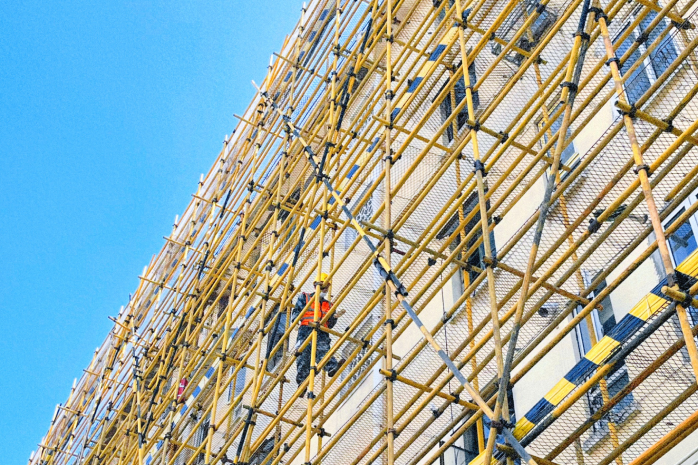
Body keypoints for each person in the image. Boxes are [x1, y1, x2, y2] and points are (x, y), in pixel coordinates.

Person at [293, 273, 346, 388]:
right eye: (322, 287)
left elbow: (330, 324)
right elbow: (296, 312)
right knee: (304, 356)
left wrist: (334, 317)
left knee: (323, 350)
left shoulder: (329, 305)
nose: (325, 289)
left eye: (326, 287)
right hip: (306, 328)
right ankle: (302, 383)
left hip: (322, 331)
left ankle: (331, 367)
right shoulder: (305, 297)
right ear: (315, 286)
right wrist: (296, 321)